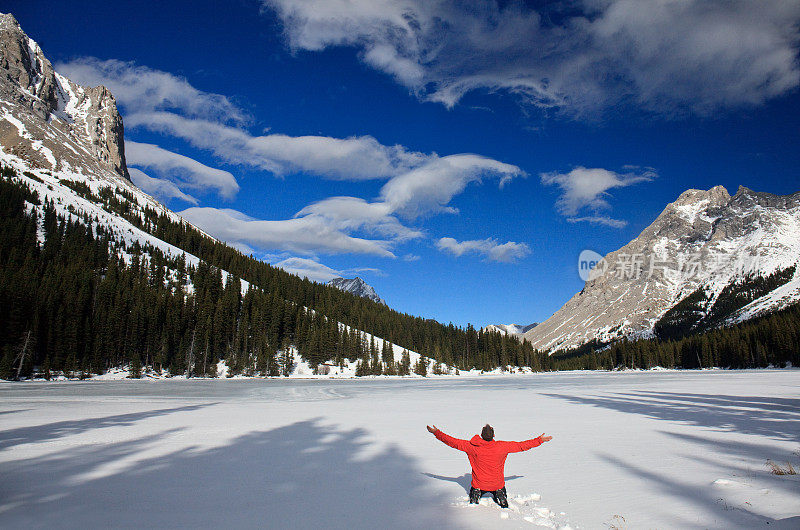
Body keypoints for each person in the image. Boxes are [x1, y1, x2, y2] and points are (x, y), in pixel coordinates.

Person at [426, 424, 552, 508]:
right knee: (499, 487)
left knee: (476, 489)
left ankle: (475, 496)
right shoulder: (502, 447)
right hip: (497, 485)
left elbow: (452, 442)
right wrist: (540, 440)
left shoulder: (471, 446)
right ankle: (500, 496)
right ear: (493, 435)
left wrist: (436, 433)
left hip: (478, 486)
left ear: (481, 435)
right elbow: (522, 446)